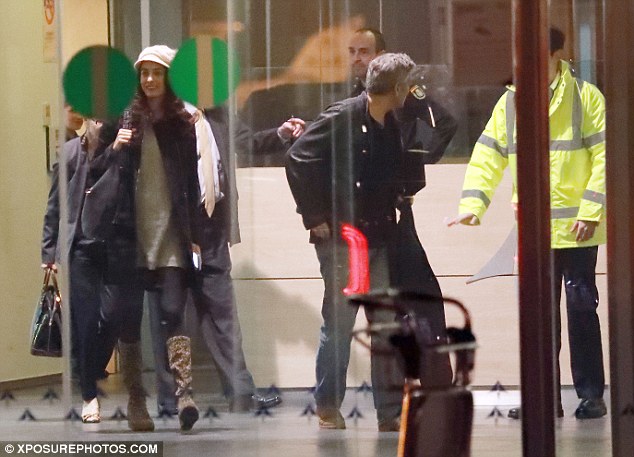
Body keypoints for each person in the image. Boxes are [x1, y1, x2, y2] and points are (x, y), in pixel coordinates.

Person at [447, 28, 607, 420]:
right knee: (539, 316)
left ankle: (591, 395)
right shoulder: (511, 102)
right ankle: (542, 397)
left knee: (581, 311)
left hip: (577, 229)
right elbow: (488, 154)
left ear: (557, 55)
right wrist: (473, 205)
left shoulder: (585, 98)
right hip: (534, 229)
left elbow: (605, 156)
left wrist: (589, 212)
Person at [286, 53, 450, 432]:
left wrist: (423, 103)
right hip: (345, 238)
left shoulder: (393, 121)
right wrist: (314, 216)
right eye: (407, 86)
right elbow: (297, 158)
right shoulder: (343, 116)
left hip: (379, 234)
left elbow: (441, 132)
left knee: (385, 323)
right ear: (395, 88)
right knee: (341, 321)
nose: (411, 92)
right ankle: (328, 405)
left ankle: (389, 412)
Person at [150, 100, 305, 415]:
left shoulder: (220, 113)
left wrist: (281, 133)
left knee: (223, 312)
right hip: (176, 225)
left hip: (212, 224)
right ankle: (170, 398)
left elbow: (246, 141)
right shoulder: (168, 115)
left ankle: (241, 393)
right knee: (171, 313)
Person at [41, 117, 153, 431]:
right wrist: (49, 250)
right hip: (83, 247)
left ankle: (88, 373)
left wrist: (120, 147)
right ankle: (89, 394)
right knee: (86, 320)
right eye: (95, 115)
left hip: (119, 245)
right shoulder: (71, 153)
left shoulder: (127, 146)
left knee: (115, 315)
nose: (100, 122)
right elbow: (56, 203)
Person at [112, 45, 202, 432]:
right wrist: (115, 146)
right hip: (129, 236)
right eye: (144, 73)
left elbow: (196, 182)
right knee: (128, 320)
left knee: (171, 312)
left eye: (157, 73)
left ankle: (184, 395)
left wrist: (196, 235)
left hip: (170, 234)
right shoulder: (125, 118)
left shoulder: (183, 123)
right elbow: (104, 171)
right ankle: (136, 400)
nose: (149, 80)